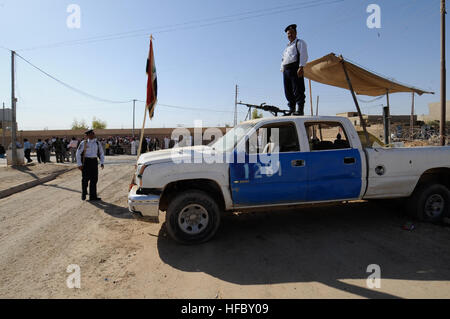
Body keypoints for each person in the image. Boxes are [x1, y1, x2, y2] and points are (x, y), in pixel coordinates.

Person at [281, 24, 308, 116]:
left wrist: (301, 67)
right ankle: (292, 109)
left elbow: (303, 54)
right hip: (286, 70)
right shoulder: (286, 47)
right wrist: (282, 70)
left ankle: (300, 109)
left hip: (295, 68)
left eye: (291, 33)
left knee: (298, 89)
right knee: (288, 91)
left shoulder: (300, 43)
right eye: (288, 34)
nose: (290, 35)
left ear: (296, 33)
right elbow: (283, 59)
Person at [76, 129, 105, 201]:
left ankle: (93, 196)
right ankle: (84, 193)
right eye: (90, 134)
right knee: (85, 179)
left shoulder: (97, 143)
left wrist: (102, 162)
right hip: (86, 162)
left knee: (94, 180)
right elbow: (78, 153)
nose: (92, 135)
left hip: (94, 162)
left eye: (93, 133)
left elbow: (101, 153)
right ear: (87, 135)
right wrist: (79, 164)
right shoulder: (84, 143)